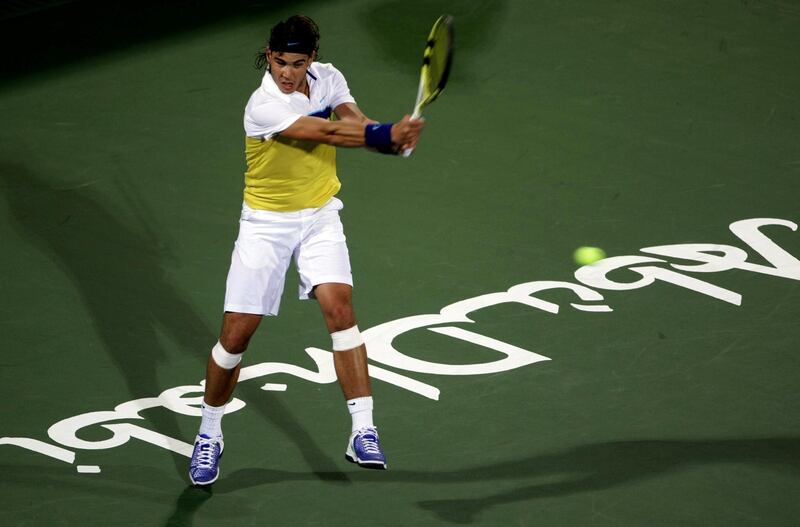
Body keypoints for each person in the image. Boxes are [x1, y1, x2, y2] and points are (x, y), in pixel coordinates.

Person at [188, 15, 424, 486]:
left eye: (298, 63)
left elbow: (353, 122)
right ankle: (208, 433)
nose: (288, 74)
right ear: (269, 56)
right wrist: (385, 136)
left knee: (340, 309)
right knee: (236, 336)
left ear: (311, 59)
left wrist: (386, 139)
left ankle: (363, 429)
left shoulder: (329, 77)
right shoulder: (263, 105)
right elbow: (330, 134)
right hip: (265, 225)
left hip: (319, 216)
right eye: (280, 62)